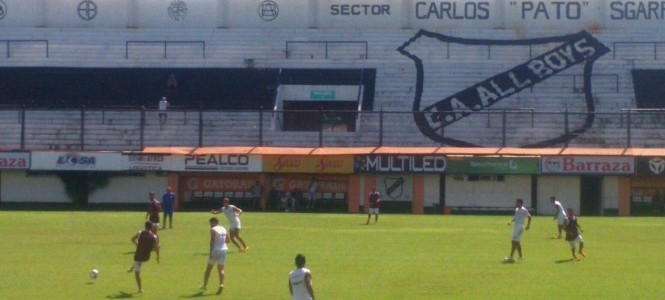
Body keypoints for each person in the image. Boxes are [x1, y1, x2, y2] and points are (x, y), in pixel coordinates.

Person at [200, 217, 230, 295]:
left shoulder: (213, 229)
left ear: (214, 222)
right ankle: (221, 284)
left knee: (208, 269)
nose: (210, 224)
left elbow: (212, 241)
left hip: (215, 250)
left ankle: (204, 285)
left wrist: (210, 252)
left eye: (211, 223)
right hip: (224, 250)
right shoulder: (223, 228)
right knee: (221, 269)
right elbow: (228, 240)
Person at [129, 221, 160, 294]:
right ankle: (133, 267)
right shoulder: (154, 236)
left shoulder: (140, 233)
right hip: (146, 257)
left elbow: (132, 239)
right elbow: (157, 247)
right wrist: (158, 257)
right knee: (138, 264)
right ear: (151, 227)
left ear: (145, 226)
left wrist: (137, 245)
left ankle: (140, 289)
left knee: (137, 274)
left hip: (138, 256)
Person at [504, 198, 532, 263]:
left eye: (517, 202)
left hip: (519, 227)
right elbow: (515, 218)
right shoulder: (516, 209)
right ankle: (520, 257)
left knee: (514, 241)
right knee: (516, 242)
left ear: (521, 203)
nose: (516, 203)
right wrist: (511, 222)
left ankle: (511, 257)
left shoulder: (524, 210)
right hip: (516, 227)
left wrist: (528, 226)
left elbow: (529, 217)